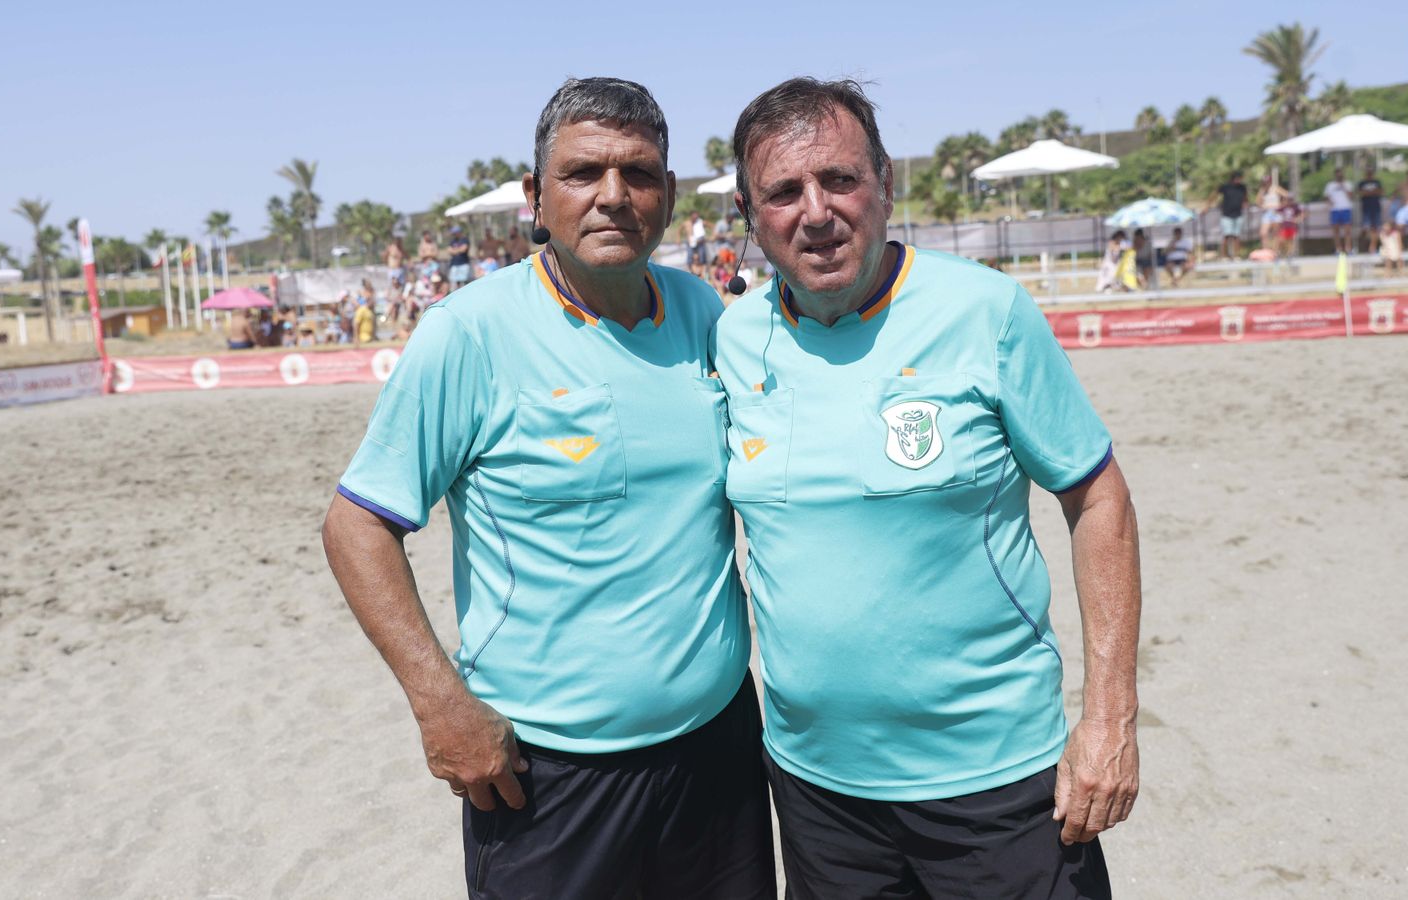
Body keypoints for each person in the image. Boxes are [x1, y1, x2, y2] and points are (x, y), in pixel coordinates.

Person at [321, 76, 774, 899]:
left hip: (718, 754)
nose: (613, 197)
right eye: (581, 174)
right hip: (548, 778)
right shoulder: (469, 333)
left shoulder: (705, 318)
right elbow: (357, 525)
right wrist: (441, 705)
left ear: (667, 195)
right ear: (535, 196)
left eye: (638, 174)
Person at [716, 76, 1138, 898]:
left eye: (840, 179)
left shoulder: (987, 312)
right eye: (783, 191)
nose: (816, 211)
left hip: (1000, 782)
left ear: (884, 184)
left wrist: (1109, 717)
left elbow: (1098, 498)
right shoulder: (733, 338)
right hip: (817, 792)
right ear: (748, 212)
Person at [1204, 171, 1247, 260]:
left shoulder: (1242, 187)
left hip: (1238, 214)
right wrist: (1207, 206)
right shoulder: (1226, 187)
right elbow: (1214, 195)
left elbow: (1245, 198)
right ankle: (1224, 255)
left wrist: (1245, 204)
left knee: (1236, 236)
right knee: (1226, 236)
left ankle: (1236, 255)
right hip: (1227, 215)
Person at [1257, 173, 1290, 253]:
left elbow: (1287, 195)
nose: (1266, 183)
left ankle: (1276, 251)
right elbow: (1258, 201)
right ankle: (1266, 250)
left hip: (1276, 212)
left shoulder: (1275, 188)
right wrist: (1262, 206)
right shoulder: (1262, 190)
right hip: (1267, 212)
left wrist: (1282, 205)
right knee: (1263, 233)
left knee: (1276, 233)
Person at [1325, 168, 1354, 254]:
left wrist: (1343, 186)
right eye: (1338, 174)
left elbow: (1351, 196)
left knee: (1347, 230)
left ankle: (1348, 248)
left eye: (1341, 174)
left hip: (1346, 208)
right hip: (1335, 209)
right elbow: (1326, 196)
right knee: (1336, 230)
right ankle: (1338, 249)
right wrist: (1330, 202)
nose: (1339, 176)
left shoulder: (1348, 184)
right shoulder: (1330, 185)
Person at [1359, 164, 1385, 254]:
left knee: (1375, 228)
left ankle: (1372, 247)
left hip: (1375, 207)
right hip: (1366, 208)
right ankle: (1361, 246)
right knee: (1365, 228)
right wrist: (1373, 192)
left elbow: (1381, 192)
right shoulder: (1362, 183)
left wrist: (1368, 192)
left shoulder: (1377, 182)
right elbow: (1361, 193)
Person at [686, 211, 708, 276]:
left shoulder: (701, 222)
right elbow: (679, 230)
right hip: (691, 242)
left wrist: (712, 235)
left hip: (700, 241)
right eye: (694, 216)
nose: (695, 217)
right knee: (690, 257)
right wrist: (678, 238)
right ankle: (690, 272)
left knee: (701, 257)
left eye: (696, 216)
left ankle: (702, 273)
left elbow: (710, 225)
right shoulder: (687, 223)